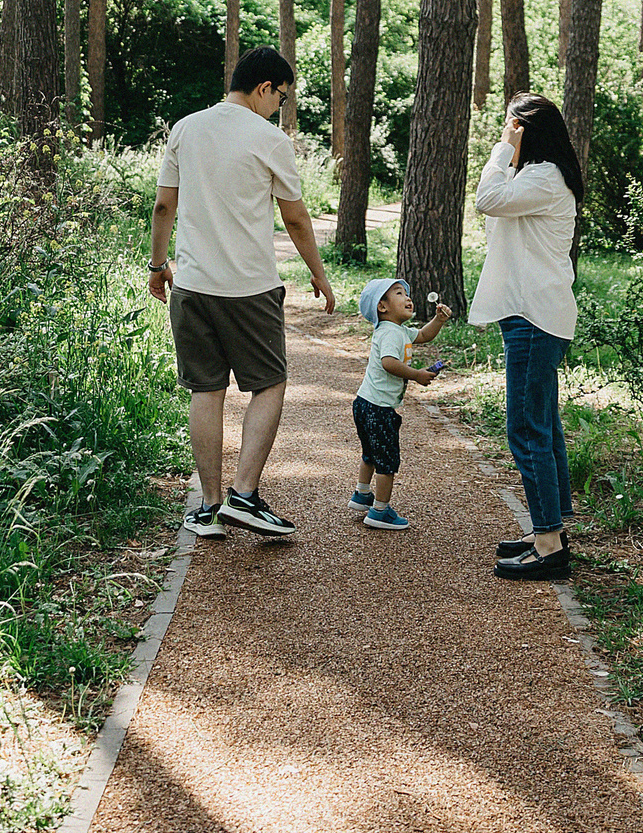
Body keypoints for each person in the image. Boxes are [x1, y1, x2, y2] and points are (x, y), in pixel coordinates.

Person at [149, 46, 337, 541]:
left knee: (205, 390)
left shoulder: (185, 128)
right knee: (269, 383)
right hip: (249, 287)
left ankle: (210, 507)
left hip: (191, 286)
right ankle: (245, 496)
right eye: (281, 97)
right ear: (264, 87)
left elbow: (164, 206)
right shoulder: (270, 139)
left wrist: (158, 264)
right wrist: (318, 273)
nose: (280, 107)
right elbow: (296, 218)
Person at [472, 91, 585, 581]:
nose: (506, 132)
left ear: (526, 130)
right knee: (544, 425)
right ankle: (551, 530)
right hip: (534, 315)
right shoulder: (538, 176)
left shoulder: (543, 177)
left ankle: (549, 543)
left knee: (526, 428)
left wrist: (502, 149)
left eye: (511, 125)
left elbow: (486, 200)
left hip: (533, 318)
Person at [348, 278, 451, 531]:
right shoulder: (392, 333)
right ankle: (380, 511)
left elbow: (424, 335)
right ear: (382, 307)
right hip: (379, 408)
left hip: (364, 403)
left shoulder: (398, 330)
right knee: (387, 462)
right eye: (399, 293)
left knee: (370, 453)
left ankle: (362, 494)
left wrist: (438, 320)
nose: (408, 297)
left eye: (406, 293)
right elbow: (389, 363)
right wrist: (416, 375)